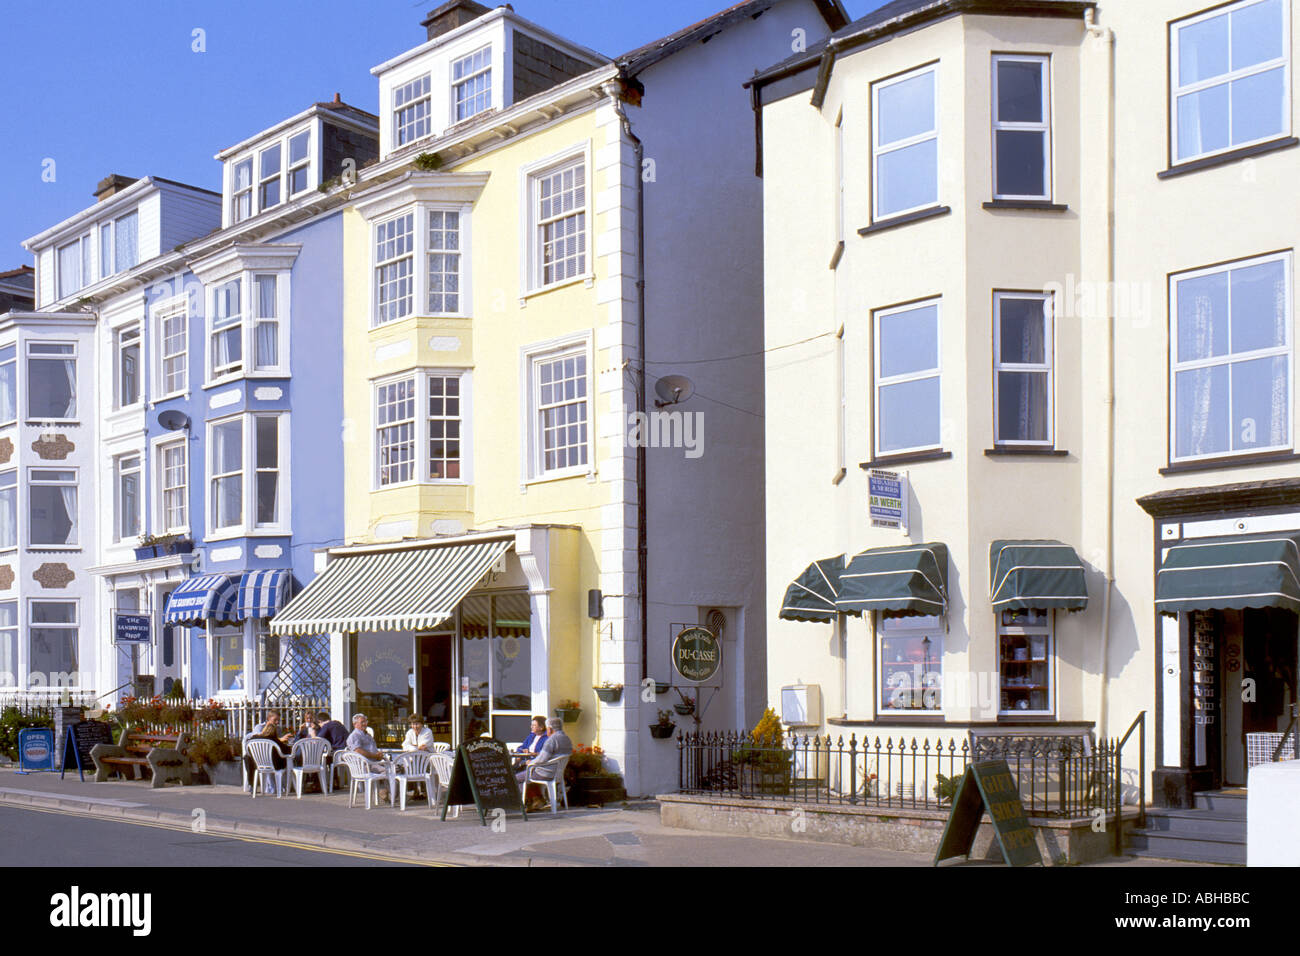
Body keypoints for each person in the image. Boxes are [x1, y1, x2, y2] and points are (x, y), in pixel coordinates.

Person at [517, 717, 572, 811]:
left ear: (549, 729)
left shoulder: (551, 740)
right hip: (557, 773)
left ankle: (530, 802)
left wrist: (530, 762)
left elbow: (542, 758)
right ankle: (537, 800)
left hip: (545, 772)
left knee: (515, 778)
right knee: (528, 774)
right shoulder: (566, 739)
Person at [346, 713, 392, 798]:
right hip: (366, 765)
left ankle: (390, 793)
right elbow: (358, 751)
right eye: (362, 722)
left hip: (374, 762)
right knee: (390, 771)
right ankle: (389, 793)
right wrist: (375, 756)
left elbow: (371, 748)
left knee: (397, 768)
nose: (365, 724)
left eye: (366, 721)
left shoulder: (366, 734)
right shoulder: (354, 736)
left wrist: (378, 754)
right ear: (355, 724)